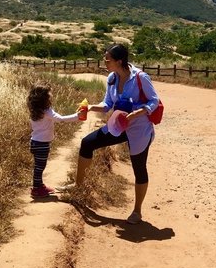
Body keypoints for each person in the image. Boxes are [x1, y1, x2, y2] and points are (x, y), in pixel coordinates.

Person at [74, 43, 160, 224]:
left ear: (119, 61)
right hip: (118, 124)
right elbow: (107, 105)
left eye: (108, 59)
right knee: (87, 143)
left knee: (139, 167)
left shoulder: (140, 77)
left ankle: (137, 211)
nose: (105, 62)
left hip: (139, 128)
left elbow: (154, 100)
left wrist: (139, 112)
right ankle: (78, 186)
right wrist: (90, 107)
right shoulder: (112, 78)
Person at [27, 83, 85, 198]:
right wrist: (77, 116)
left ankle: (40, 185)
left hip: (35, 142)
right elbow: (61, 119)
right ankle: (36, 189)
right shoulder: (47, 111)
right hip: (42, 144)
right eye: (49, 95)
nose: (51, 96)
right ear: (44, 99)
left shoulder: (35, 110)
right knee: (39, 168)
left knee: (39, 166)